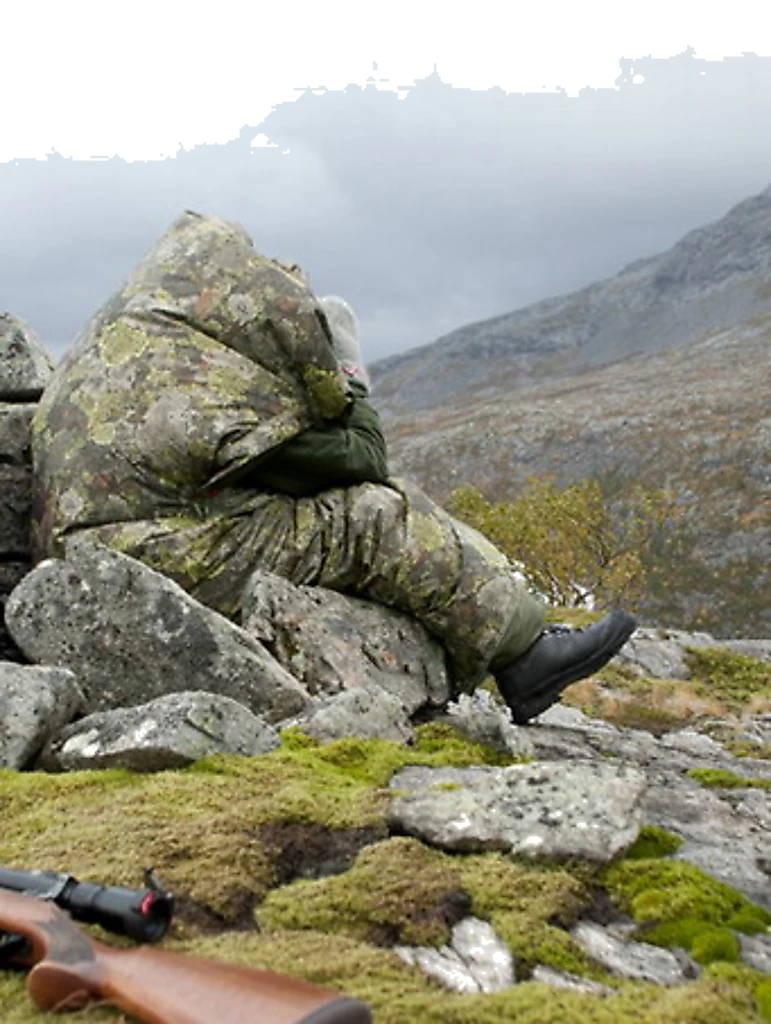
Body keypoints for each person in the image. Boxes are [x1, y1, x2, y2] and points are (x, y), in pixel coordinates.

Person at [30, 210, 636, 725]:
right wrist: (347, 376)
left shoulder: (124, 352)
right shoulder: (208, 391)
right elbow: (362, 463)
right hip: (156, 559)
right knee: (372, 517)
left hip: (90, 555)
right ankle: (525, 657)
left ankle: (519, 630)